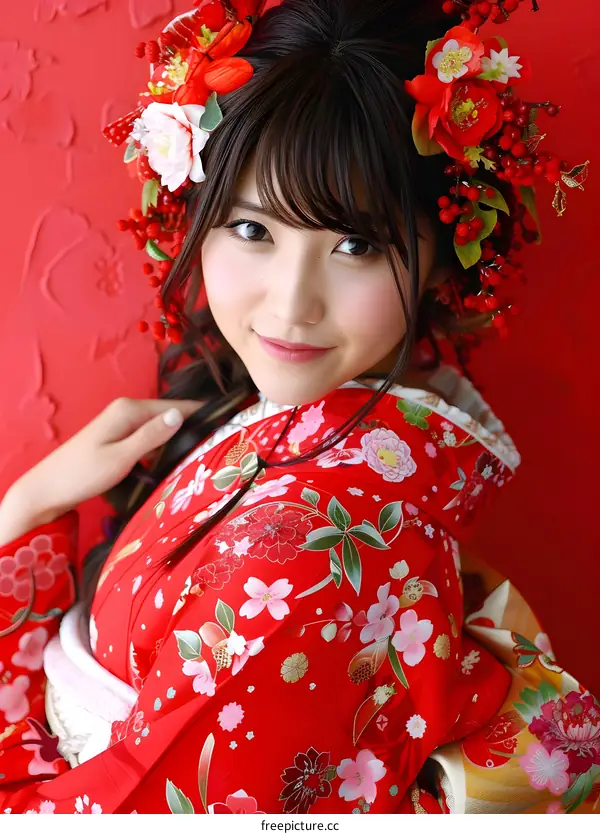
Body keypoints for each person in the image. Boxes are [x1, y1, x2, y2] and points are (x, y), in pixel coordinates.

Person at [0, 0, 597, 815]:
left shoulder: (312, 556)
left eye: (355, 245)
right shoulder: (288, 432)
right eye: (252, 229)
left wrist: (23, 519)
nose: (290, 306)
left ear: (442, 256)